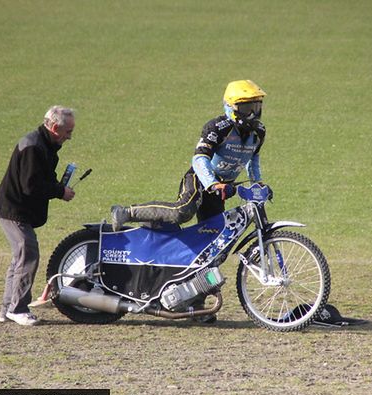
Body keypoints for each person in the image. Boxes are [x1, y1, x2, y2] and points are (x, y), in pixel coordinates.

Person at [110, 80, 272, 322]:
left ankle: (195, 305)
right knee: (182, 212)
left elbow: (253, 161)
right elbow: (199, 159)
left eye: (256, 107)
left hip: (222, 189)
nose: (253, 113)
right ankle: (127, 212)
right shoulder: (218, 127)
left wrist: (257, 183)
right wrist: (211, 184)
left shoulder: (258, 132)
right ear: (232, 108)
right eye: (248, 108)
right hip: (200, 180)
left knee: (214, 247)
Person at [0, 105, 76, 326]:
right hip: (14, 210)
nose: (70, 137)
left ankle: (7, 309)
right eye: (68, 132)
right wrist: (60, 191)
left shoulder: (43, 145)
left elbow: (39, 178)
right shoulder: (33, 147)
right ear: (55, 127)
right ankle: (18, 309)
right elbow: (30, 185)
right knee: (28, 254)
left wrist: (57, 186)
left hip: (16, 209)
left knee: (19, 258)